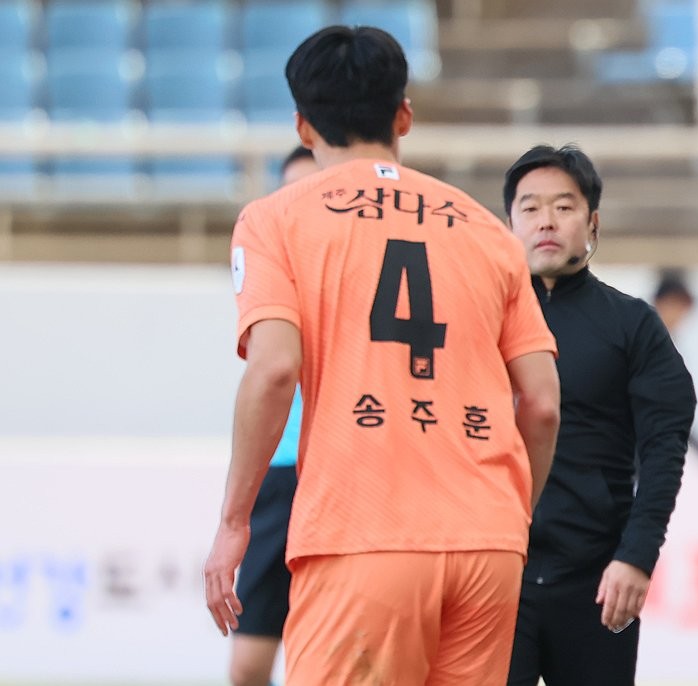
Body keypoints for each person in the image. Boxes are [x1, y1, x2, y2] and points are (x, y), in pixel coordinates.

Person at [203, 26, 561, 686]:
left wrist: (233, 523)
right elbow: (539, 402)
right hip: (488, 540)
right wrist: (514, 518)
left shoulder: (276, 220)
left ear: (304, 126)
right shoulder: (488, 231)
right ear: (403, 116)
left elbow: (275, 368)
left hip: (361, 533)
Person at [502, 144, 696, 686]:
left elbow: (664, 446)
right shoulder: (477, 322)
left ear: (592, 222)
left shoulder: (633, 325)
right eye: (530, 207)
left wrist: (636, 556)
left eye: (563, 207)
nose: (546, 221)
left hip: (597, 582)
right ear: (507, 223)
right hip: (495, 578)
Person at [226, 146, 317, 686]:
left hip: (342, 469)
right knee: (250, 662)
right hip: (278, 470)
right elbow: (268, 372)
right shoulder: (268, 267)